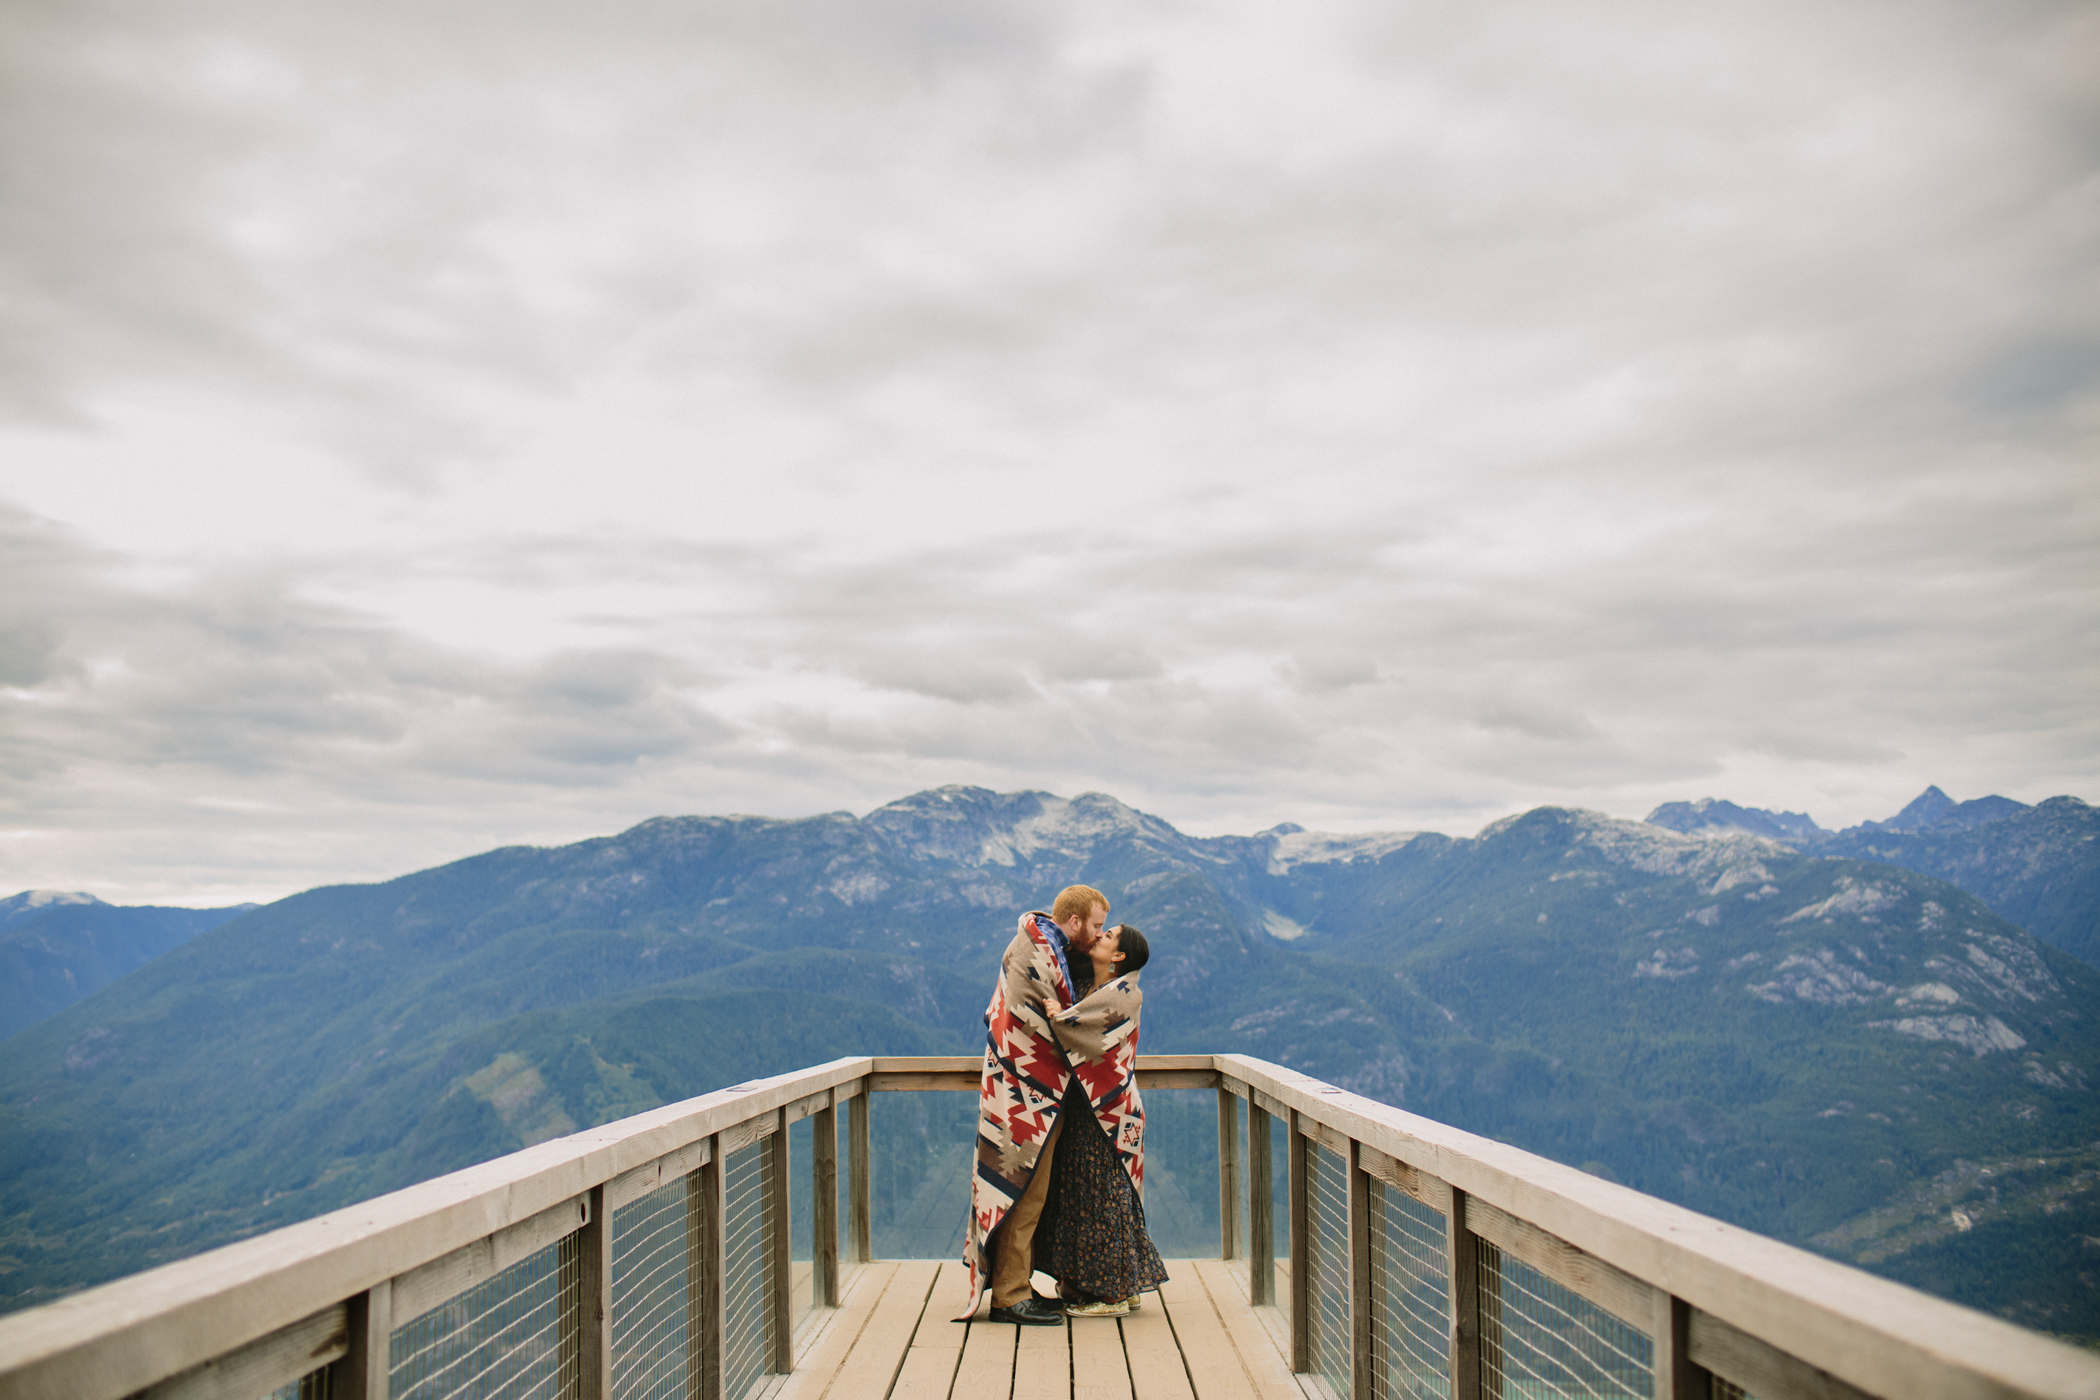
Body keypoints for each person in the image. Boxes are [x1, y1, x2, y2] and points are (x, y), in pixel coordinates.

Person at [955, 885, 1109, 1325]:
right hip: (1023, 1092)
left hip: (1032, 1092)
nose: (1098, 935)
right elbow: (1028, 1022)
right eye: (1096, 925)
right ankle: (1009, 1296)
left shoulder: (1043, 946)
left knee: (1031, 1191)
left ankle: (1018, 1285)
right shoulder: (1034, 951)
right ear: (1075, 921)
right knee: (1019, 1190)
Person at [1038, 924, 1167, 1318]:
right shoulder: (1094, 991)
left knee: (1101, 1198)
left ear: (1118, 956)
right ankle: (1124, 1285)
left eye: (1108, 936)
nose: (1099, 937)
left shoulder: (1125, 995)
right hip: (1093, 1109)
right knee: (1106, 1195)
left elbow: (1094, 1039)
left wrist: (1060, 1019)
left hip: (1107, 1111)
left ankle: (1106, 1295)